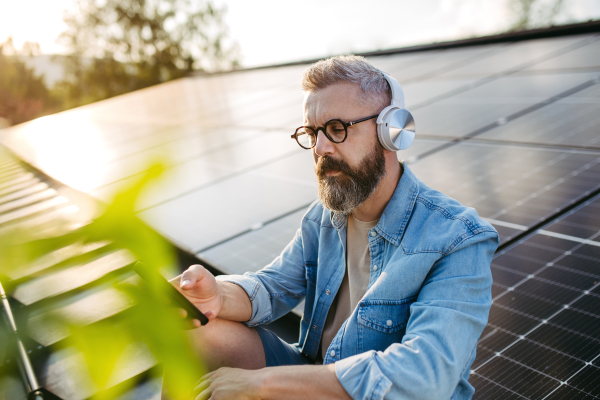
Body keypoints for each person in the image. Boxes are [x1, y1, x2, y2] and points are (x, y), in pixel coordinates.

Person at [162, 55, 499, 400]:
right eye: (312, 132)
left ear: (391, 131)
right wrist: (218, 295)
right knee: (200, 333)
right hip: (315, 377)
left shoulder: (458, 240)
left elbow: (423, 377)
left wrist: (259, 385)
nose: (321, 147)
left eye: (337, 129)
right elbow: (273, 286)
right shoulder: (325, 216)